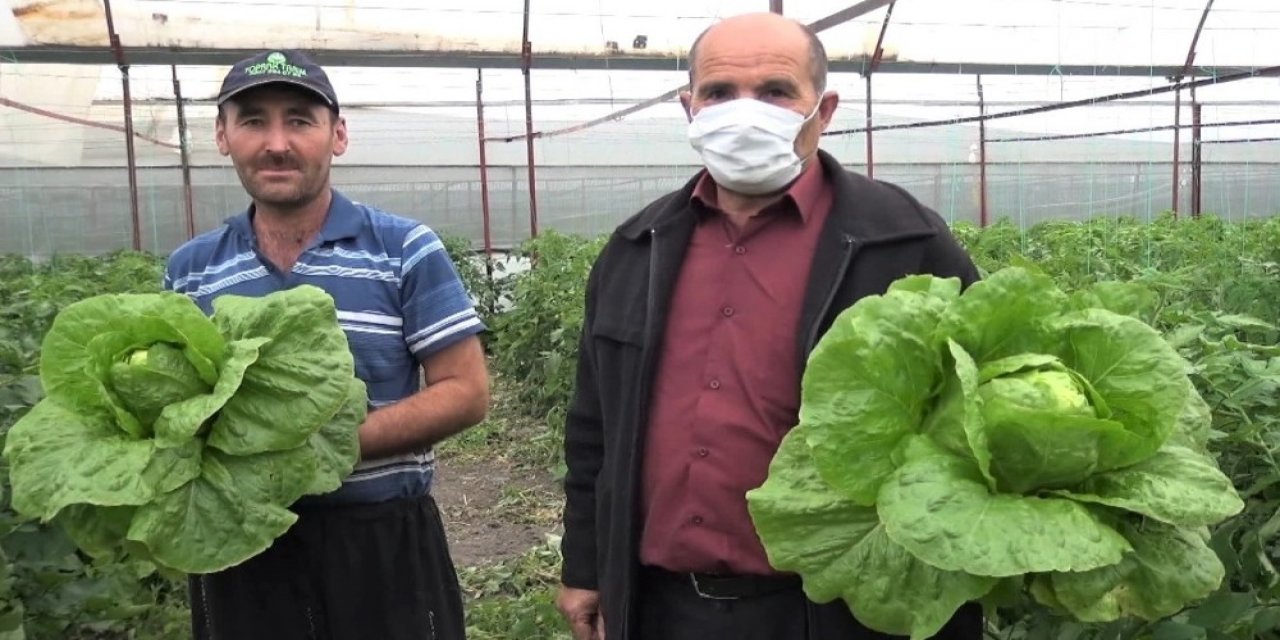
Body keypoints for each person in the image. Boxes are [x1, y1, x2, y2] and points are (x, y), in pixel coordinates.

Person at [556, 12, 983, 640]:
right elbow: (594, 425)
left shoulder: (903, 241)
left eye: (776, 92)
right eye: (720, 93)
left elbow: (978, 412)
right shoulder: (636, 246)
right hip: (664, 607)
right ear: (689, 108)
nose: (744, 111)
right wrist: (586, 565)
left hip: (842, 612)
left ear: (824, 109)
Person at [164, 49, 489, 640]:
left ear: (337, 135)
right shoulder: (191, 271)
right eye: (254, 120)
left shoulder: (403, 249)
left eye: (300, 119)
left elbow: (465, 392)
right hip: (239, 543)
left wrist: (310, 452)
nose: (277, 142)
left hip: (381, 539)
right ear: (222, 136)